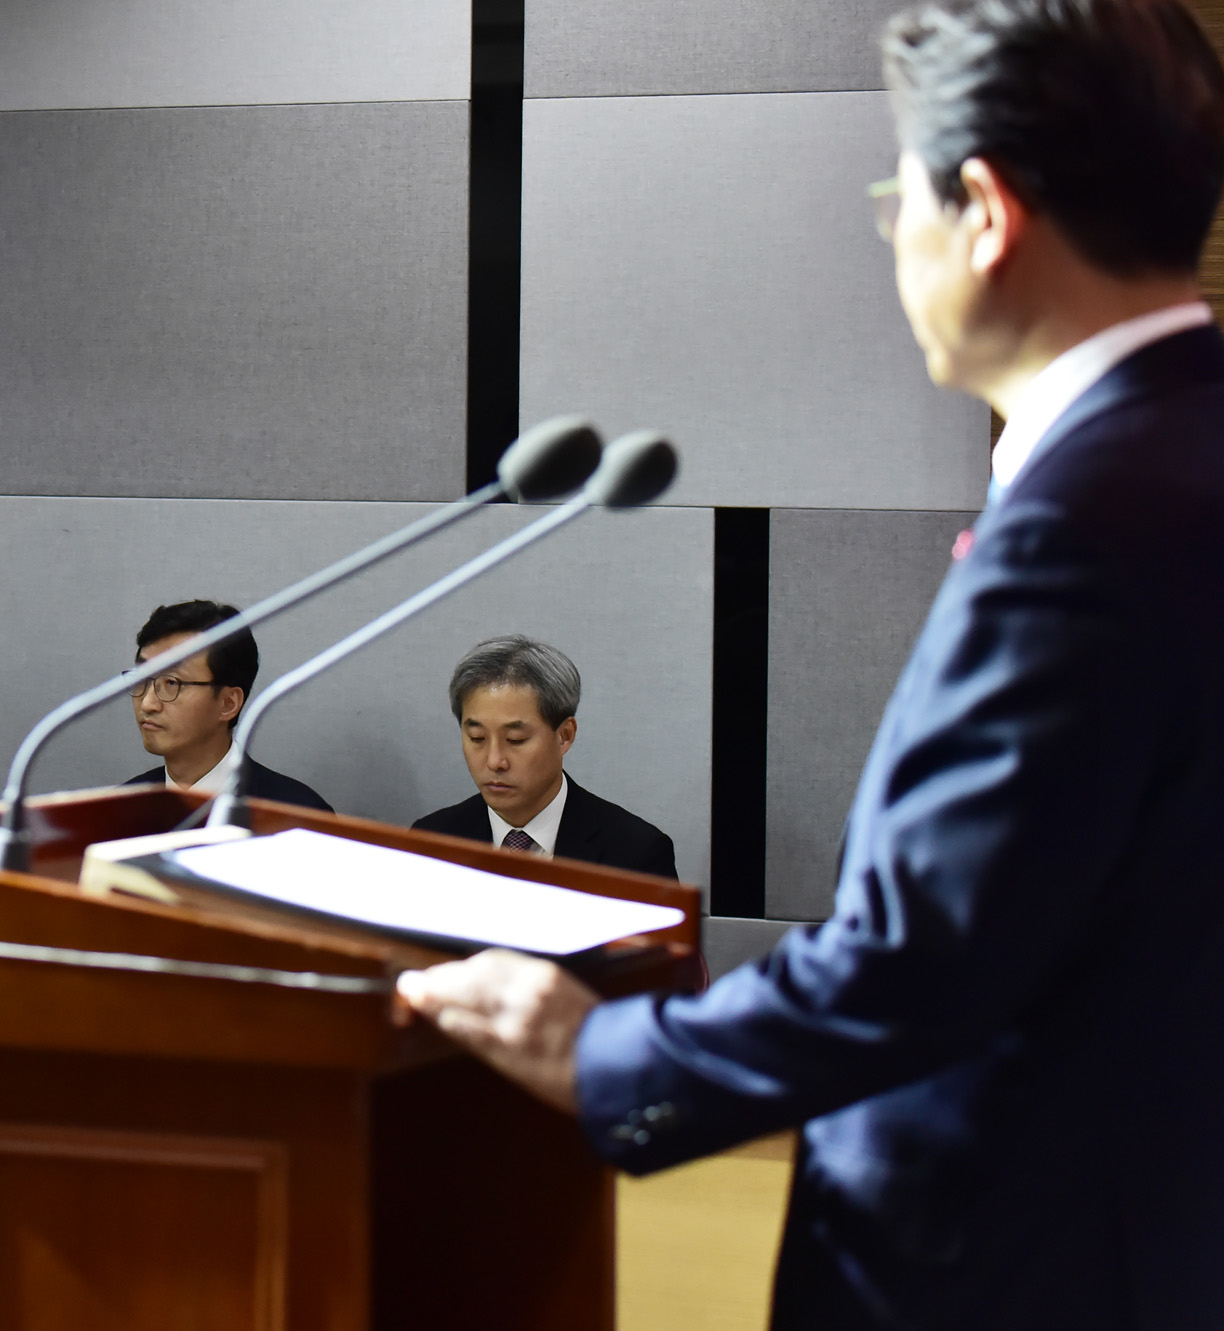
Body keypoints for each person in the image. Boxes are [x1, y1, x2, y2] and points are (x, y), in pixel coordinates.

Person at [398, 2, 1224, 1327]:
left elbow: (920, 955)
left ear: (988, 212)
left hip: (1014, 1255)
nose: (893, 231)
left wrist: (594, 1045)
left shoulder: (1084, 525)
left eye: (902, 192)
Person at [411, 636, 675, 877]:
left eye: (516, 740)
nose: (494, 761)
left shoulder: (636, 854)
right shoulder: (431, 841)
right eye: (477, 738)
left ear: (565, 735)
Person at [122, 600, 332, 812]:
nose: (148, 704)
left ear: (228, 703)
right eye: (141, 678)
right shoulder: (120, 807)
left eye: (172, 683)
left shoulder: (296, 815)